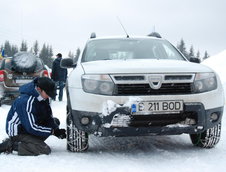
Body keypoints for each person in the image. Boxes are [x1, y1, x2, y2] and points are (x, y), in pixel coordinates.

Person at [0, 77, 66, 156]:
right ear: (39, 89)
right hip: (18, 132)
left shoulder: (42, 97)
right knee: (44, 149)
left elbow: (47, 116)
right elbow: (31, 127)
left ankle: (31, 142)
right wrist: (52, 131)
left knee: (55, 122)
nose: (49, 96)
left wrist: (56, 130)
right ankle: (11, 145)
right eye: (48, 93)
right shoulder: (26, 101)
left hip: (28, 127)